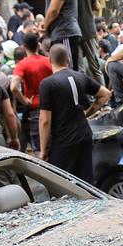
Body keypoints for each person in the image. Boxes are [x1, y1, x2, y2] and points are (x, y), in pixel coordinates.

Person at [39, 44, 111, 182]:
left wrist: (43, 150)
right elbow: (105, 94)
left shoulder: (47, 84)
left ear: (49, 60)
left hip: (63, 140)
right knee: (85, 180)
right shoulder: (80, 77)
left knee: (63, 183)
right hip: (84, 134)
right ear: (69, 60)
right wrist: (88, 113)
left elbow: (45, 121)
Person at [59, 0, 104, 86]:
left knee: (79, 69)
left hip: (72, 33)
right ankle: (104, 102)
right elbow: (97, 7)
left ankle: (87, 99)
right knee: (95, 66)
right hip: (88, 31)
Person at [12, 32, 53, 151]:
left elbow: (13, 87)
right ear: (38, 46)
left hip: (35, 109)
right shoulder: (48, 61)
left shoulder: (22, 64)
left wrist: (24, 101)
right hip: (53, 108)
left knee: (39, 148)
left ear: (24, 47)